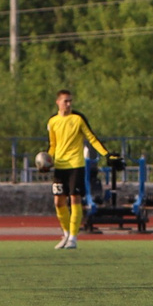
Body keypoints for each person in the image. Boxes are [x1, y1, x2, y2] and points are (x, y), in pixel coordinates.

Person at [45, 89, 111, 250]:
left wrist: (107, 154)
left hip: (76, 165)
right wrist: (47, 160)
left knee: (75, 199)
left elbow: (92, 138)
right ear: (58, 102)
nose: (68, 104)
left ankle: (73, 237)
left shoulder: (78, 119)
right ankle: (66, 233)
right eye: (65, 101)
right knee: (58, 201)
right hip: (60, 166)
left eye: (70, 101)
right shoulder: (52, 121)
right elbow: (53, 145)